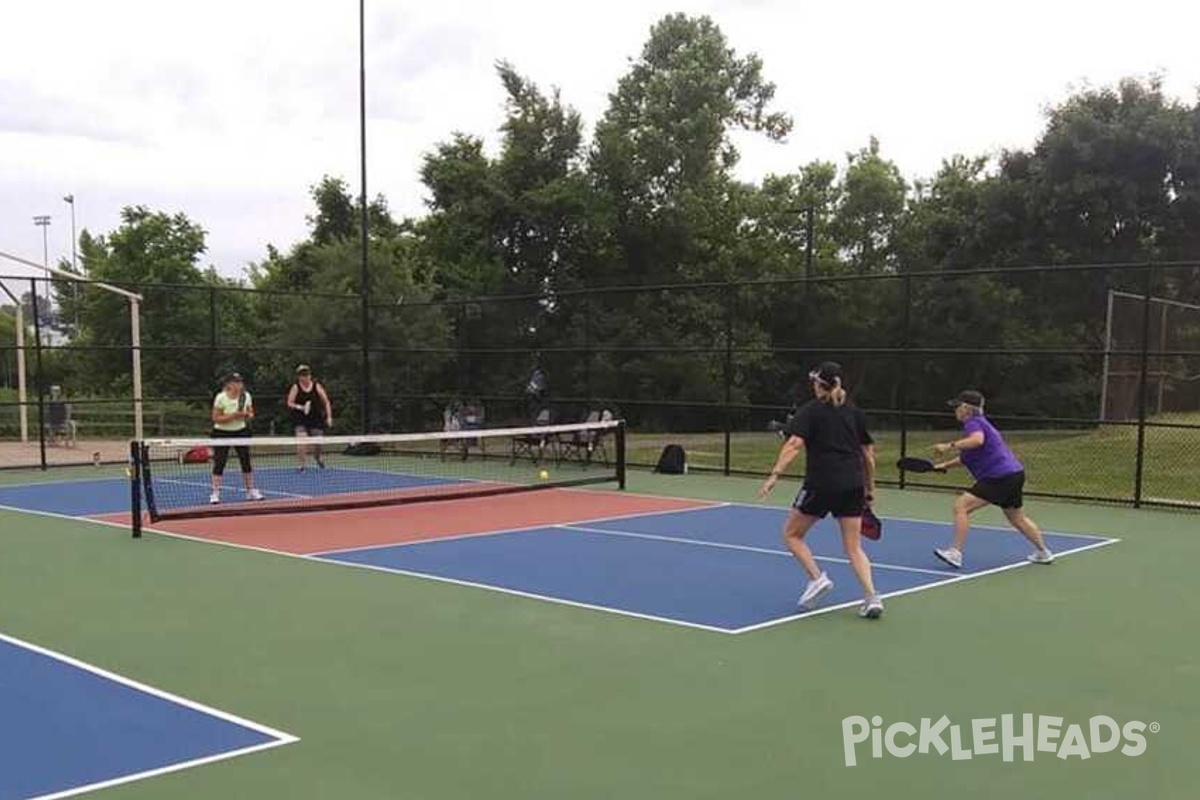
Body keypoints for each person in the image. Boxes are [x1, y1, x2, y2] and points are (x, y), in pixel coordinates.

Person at [757, 362, 884, 619]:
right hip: (853, 485)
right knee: (854, 547)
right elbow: (868, 456)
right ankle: (872, 597)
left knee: (791, 534)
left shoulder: (811, 411)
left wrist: (774, 475)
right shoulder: (854, 413)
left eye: (814, 381)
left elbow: (793, 444)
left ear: (819, 385)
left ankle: (817, 579)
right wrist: (869, 487)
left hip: (821, 484)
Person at [931, 390, 1054, 568]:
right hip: (1014, 475)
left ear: (966, 408)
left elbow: (977, 441)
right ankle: (1043, 552)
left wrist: (948, 446)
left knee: (961, 506)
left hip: (999, 476)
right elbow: (967, 458)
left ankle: (955, 553)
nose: (955, 410)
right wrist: (943, 466)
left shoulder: (973, 423)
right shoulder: (981, 424)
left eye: (957, 406)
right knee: (1017, 518)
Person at [209, 372, 264, 504]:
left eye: (240, 382)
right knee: (220, 462)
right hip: (222, 433)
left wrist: (247, 415)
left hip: (241, 432)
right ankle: (215, 493)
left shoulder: (246, 396)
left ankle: (250, 491)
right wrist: (233, 416)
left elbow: (251, 413)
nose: (239, 385)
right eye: (236, 382)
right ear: (229, 384)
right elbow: (215, 418)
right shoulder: (221, 397)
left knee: (246, 461)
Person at [286, 364, 333, 470]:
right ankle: (301, 465)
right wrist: (300, 407)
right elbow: (289, 402)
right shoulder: (295, 387)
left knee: (318, 441)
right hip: (300, 417)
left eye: (306, 374)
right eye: (302, 375)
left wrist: (329, 417)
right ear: (299, 377)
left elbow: (326, 402)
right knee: (302, 440)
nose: (305, 377)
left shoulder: (317, 386)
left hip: (315, 417)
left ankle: (318, 457)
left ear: (310, 375)